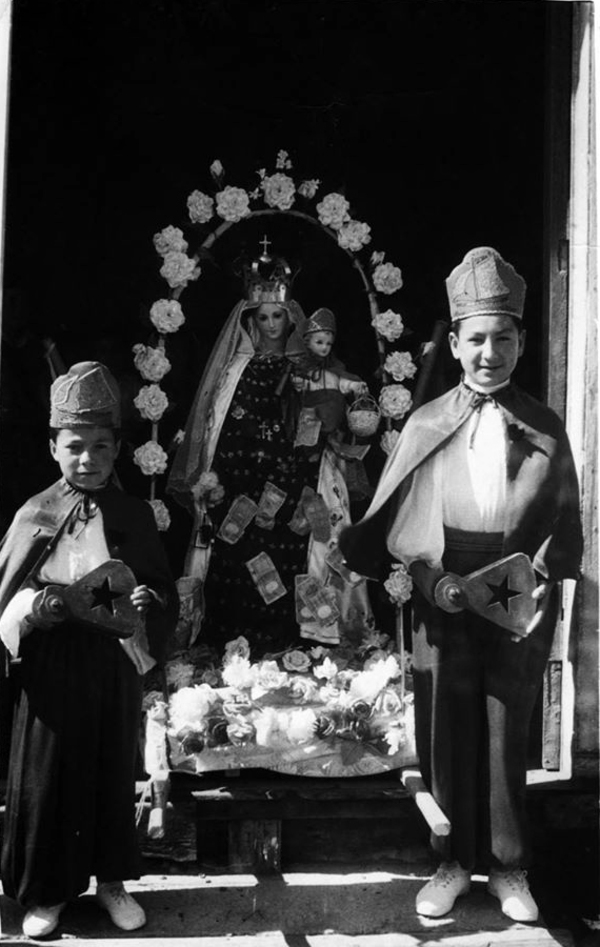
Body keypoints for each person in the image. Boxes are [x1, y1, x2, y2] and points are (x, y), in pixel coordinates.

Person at [339, 247, 583, 923]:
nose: (489, 352)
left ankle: (509, 867)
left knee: (507, 726)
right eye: (476, 339)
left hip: (514, 598)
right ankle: (449, 861)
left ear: (522, 342)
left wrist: (527, 574)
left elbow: (559, 523)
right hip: (443, 593)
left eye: (503, 338)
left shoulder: (544, 426)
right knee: (445, 725)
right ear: (454, 343)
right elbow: (406, 528)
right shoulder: (427, 422)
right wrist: (431, 579)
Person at [0, 361, 179, 938]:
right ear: (54, 447)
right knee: (49, 772)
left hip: (112, 659)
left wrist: (147, 600)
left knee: (108, 766)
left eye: (101, 446)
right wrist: (37, 607)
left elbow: (158, 587)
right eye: (75, 446)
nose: (88, 459)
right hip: (52, 662)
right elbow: (9, 592)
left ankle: (112, 884)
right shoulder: (35, 513)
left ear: (118, 449)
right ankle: (47, 895)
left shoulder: (132, 515)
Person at [168, 251, 371, 656]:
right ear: (249, 320)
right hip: (240, 477)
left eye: (278, 317)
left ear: (291, 319)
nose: (272, 325)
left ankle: (306, 637)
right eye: (263, 317)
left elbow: (328, 412)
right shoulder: (233, 370)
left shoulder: (308, 366)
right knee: (236, 555)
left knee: (296, 553)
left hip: (296, 476)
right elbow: (217, 428)